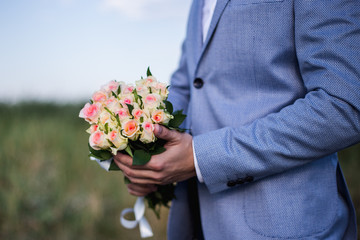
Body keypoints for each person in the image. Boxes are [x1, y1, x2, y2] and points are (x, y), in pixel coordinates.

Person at [114, 0, 360, 239]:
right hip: (196, 217)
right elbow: (188, 85)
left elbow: (343, 105)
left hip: (281, 224)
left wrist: (199, 157)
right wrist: (145, 148)